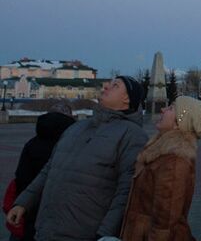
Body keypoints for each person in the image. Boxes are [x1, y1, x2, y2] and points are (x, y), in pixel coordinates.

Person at [6, 76, 148, 241]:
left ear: (127, 98)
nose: (106, 86)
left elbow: (126, 191)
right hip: (46, 229)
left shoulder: (133, 136)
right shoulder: (77, 128)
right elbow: (49, 169)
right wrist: (23, 203)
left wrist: (106, 233)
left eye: (115, 85)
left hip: (85, 233)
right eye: (109, 83)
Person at [120, 96, 201, 241]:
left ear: (179, 123)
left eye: (171, 108)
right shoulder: (161, 151)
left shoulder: (174, 161)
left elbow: (164, 225)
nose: (163, 109)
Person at [8, 102, 75, 241]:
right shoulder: (71, 144)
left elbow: (21, 176)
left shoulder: (32, 143)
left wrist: (22, 201)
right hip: (59, 211)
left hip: (28, 206)